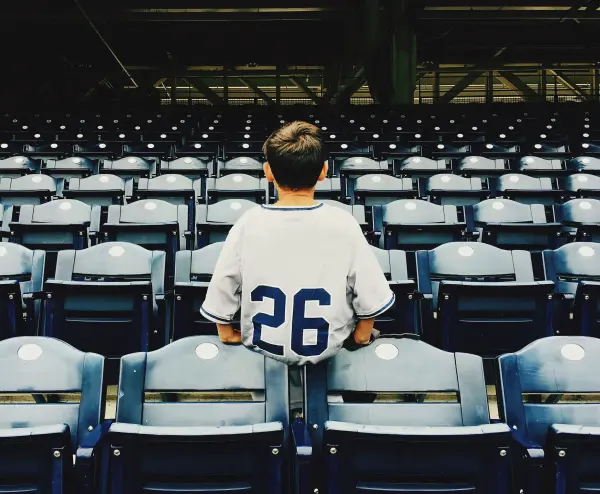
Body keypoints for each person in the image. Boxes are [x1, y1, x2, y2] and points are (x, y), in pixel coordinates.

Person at [200, 121, 394, 366]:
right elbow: (370, 298)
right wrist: (362, 336)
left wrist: (227, 333)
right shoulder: (343, 223)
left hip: (262, 359)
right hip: (330, 357)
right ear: (323, 171)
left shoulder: (248, 222)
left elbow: (222, 293)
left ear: (268, 172)